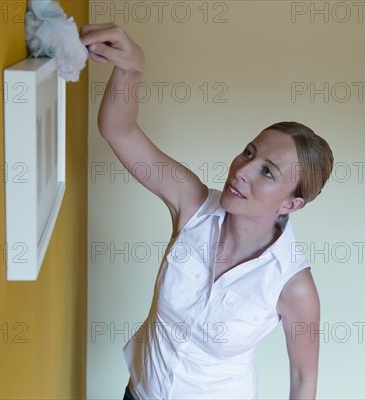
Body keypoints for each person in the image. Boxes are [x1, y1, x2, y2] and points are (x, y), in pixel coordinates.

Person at [81, 23, 334, 400]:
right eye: (249, 152)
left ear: (291, 203)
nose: (241, 171)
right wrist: (133, 68)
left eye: (267, 171)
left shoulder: (293, 285)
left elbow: (303, 379)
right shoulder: (192, 204)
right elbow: (119, 130)